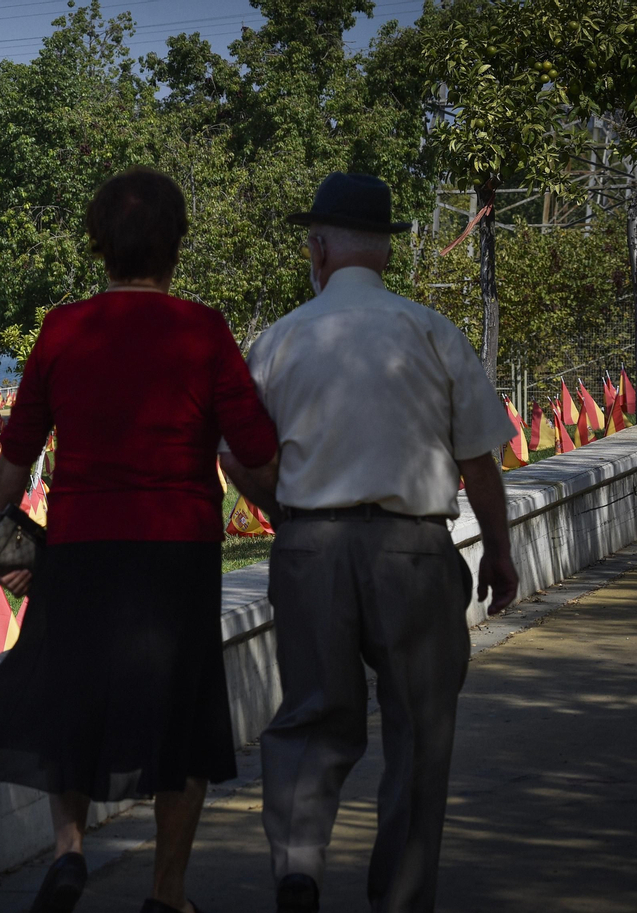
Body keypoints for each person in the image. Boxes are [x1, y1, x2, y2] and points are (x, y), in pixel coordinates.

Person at [0, 167, 280, 913]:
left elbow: (13, 462)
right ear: (175, 246)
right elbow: (255, 449)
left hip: (82, 547)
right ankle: (167, 893)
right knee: (180, 718)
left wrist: (5, 544)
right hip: (178, 550)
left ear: (99, 247)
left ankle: (68, 851)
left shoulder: (63, 329)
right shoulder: (204, 330)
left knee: (71, 696)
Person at [220, 172, 519, 913]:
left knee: (312, 717)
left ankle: (298, 867)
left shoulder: (281, 339)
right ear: (383, 251)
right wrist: (502, 554)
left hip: (310, 551)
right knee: (421, 731)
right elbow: (480, 461)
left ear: (320, 248)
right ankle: (400, 895)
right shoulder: (429, 330)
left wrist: (285, 512)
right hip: (413, 553)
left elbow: (235, 454)